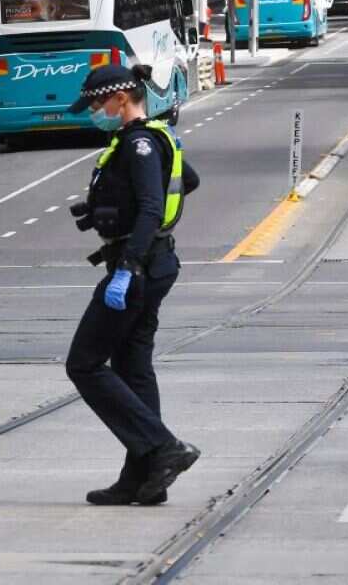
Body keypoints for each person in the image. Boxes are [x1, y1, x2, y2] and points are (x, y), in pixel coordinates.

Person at [65, 63, 201, 505]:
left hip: (138, 268)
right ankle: (143, 476)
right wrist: (106, 209)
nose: (93, 111)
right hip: (154, 262)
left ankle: (163, 447)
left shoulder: (139, 143)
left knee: (84, 363)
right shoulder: (153, 138)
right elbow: (187, 181)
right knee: (132, 367)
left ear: (121, 99)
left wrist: (128, 265)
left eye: (96, 103)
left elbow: (149, 209)